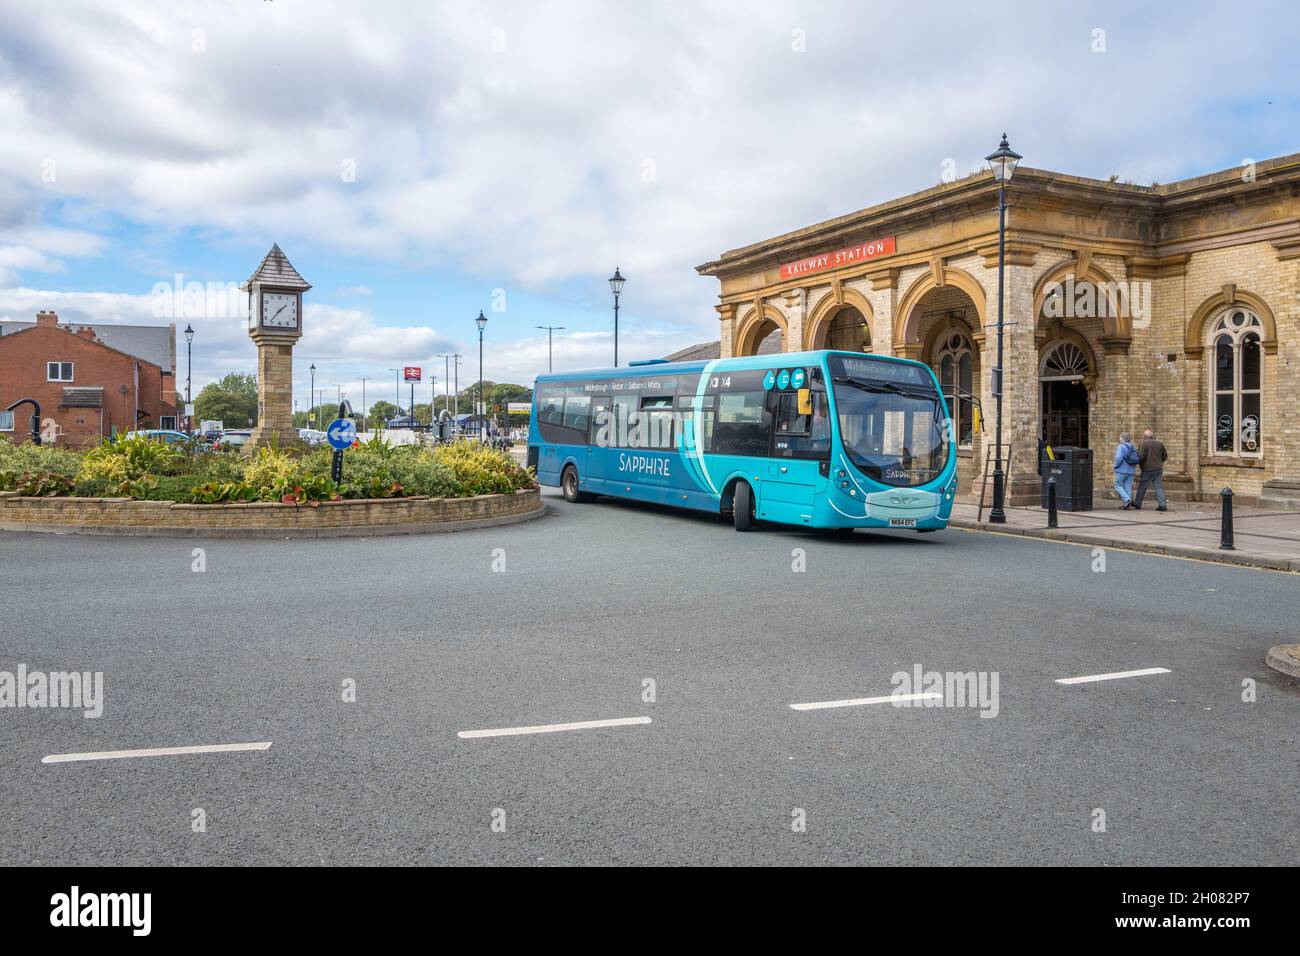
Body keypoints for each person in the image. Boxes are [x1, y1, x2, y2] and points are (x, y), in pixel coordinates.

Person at [1133, 428, 1169, 511]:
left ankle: (1138, 504)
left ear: (1145, 436)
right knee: (1159, 487)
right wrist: (1159, 462)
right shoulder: (1160, 444)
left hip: (1147, 469)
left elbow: (1140, 457)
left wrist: (1141, 464)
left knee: (1142, 487)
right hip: (1158, 469)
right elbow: (1165, 456)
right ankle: (1163, 505)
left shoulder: (1143, 444)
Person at [1113, 431, 1139, 509]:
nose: (1119, 438)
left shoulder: (1121, 446)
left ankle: (1127, 500)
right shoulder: (1132, 446)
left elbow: (1118, 458)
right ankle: (1127, 505)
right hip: (1131, 470)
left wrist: (1115, 465)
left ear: (1122, 438)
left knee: (1117, 485)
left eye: (1120, 437)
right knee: (1128, 487)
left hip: (1122, 469)